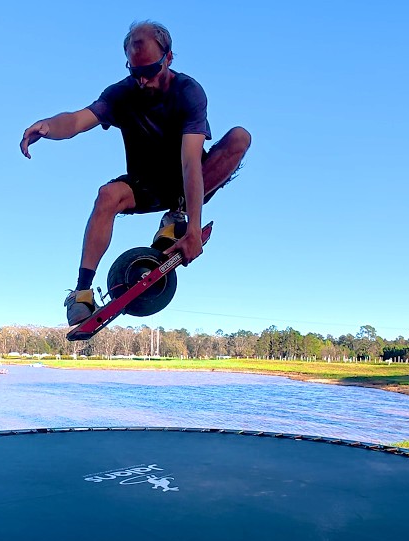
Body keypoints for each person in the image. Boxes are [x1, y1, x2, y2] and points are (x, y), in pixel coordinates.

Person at [20, 20, 251, 325]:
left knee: (239, 138)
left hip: (188, 181)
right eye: (135, 72)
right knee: (107, 195)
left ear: (168, 58)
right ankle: (82, 292)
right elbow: (77, 120)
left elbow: (190, 162)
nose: (143, 81)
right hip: (145, 185)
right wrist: (48, 126)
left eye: (150, 71)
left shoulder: (188, 92)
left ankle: (175, 216)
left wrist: (193, 228)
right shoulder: (122, 94)